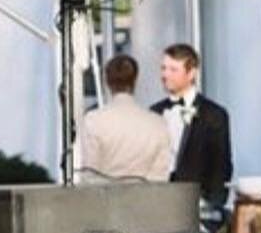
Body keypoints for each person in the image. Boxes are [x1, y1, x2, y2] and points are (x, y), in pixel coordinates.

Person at [151, 43, 232, 209]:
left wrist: (212, 205)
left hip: (196, 206)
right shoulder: (154, 113)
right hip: (157, 203)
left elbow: (221, 165)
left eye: (173, 70)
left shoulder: (214, 114)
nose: (165, 75)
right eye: (163, 68)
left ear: (192, 73)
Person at [78, 54, 172, 183]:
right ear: (135, 81)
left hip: (105, 200)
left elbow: (89, 176)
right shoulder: (158, 123)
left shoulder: (93, 120)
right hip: (146, 200)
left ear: (107, 82)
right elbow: (160, 177)